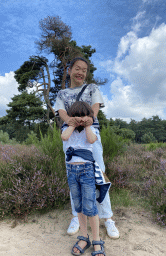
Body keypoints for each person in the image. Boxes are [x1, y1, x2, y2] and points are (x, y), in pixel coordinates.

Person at [55, 57, 119, 239]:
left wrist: (88, 120)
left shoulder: (92, 88)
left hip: (91, 132)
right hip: (70, 134)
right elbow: (61, 112)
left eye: (84, 70)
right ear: (69, 70)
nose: (80, 72)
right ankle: (76, 215)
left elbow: (95, 108)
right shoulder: (62, 93)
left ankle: (108, 218)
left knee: (99, 173)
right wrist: (71, 122)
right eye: (77, 68)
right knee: (73, 174)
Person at [61, 101, 106, 256]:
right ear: (71, 116)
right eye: (77, 115)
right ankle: (83, 237)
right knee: (78, 205)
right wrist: (71, 123)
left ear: (90, 116)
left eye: (84, 115)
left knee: (90, 206)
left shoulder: (91, 128)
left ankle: (96, 240)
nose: (81, 118)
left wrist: (88, 124)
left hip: (86, 171)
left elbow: (92, 140)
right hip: (72, 171)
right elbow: (64, 137)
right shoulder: (68, 128)